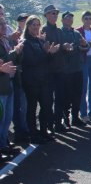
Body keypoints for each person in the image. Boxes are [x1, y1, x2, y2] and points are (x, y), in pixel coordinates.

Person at [21, 15, 58, 143]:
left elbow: (47, 61)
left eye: (38, 25)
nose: (36, 27)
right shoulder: (25, 42)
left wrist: (51, 53)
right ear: (28, 27)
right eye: (33, 25)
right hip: (32, 82)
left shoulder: (40, 41)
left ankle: (43, 130)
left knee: (46, 106)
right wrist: (46, 52)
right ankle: (33, 135)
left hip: (44, 81)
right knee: (32, 109)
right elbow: (31, 61)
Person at [41, 4, 67, 133]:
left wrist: (65, 47)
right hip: (49, 70)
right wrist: (50, 51)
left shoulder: (59, 31)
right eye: (52, 13)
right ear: (46, 15)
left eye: (56, 13)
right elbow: (43, 51)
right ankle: (49, 125)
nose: (55, 15)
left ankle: (58, 123)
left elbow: (61, 48)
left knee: (60, 97)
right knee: (48, 99)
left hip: (60, 69)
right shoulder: (43, 31)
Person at [60, 11, 88, 128]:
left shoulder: (76, 33)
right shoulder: (60, 33)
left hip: (77, 68)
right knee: (67, 96)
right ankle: (66, 118)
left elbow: (85, 46)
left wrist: (84, 45)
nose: (69, 21)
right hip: (66, 70)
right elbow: (59, 48)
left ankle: (75, 117)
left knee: (77, 94)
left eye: (71, 19)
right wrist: (64, 47)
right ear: (62, 20)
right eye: (67, 19)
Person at [0, 18, 21, 156]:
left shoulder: (4, 41)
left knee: (7, 118)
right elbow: (5, 61)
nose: (4, 26)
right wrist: (16, 51)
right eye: (0, 24)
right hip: (1, 86)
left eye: (4, 23)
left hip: (8, 83)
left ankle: (3, 144)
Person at [10, 13, 30, 144]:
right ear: (19, 22)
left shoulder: (31, 35)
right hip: (17, 75)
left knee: (26, 103)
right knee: (19, 104)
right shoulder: (15, 36)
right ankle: (20, 130)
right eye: (23, 20)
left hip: (28, 75)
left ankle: (25, 128)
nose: (25, 22)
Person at [77, 11, 91, 122]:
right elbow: (79, 46)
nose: (88, 20)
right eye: (86, 18)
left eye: (90, 18)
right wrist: (90, 44)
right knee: (83, 87)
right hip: (83, 61)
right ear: (82, 19)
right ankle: (83, 113)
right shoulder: (78, 31)